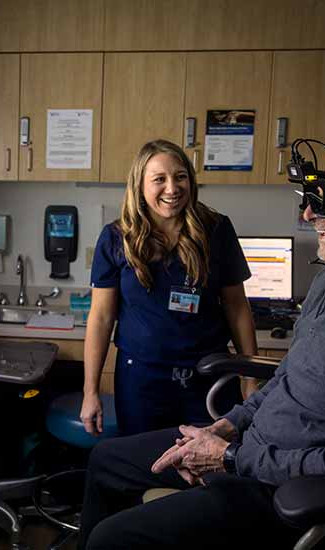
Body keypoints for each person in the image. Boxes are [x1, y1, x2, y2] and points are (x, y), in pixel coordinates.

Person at [78, 146, 325, 549]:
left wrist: (228, 457)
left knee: (112, 538)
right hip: (247, 445)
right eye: (311, 202)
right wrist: (225, 425)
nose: (308, 216)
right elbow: (287, 377)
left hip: (276, 486)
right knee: (106, 461)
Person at [81, 139, 258, 437]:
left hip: (209, 377)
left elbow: (237, 307)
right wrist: (90, 391)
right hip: (141, 381)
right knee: (144, 468)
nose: (172, 189)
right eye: (159, 179)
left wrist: (250, 378)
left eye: (180, 177)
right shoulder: (116, 238)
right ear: (139, 185)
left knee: (209, 469)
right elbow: (100, 319)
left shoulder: (216, 230)